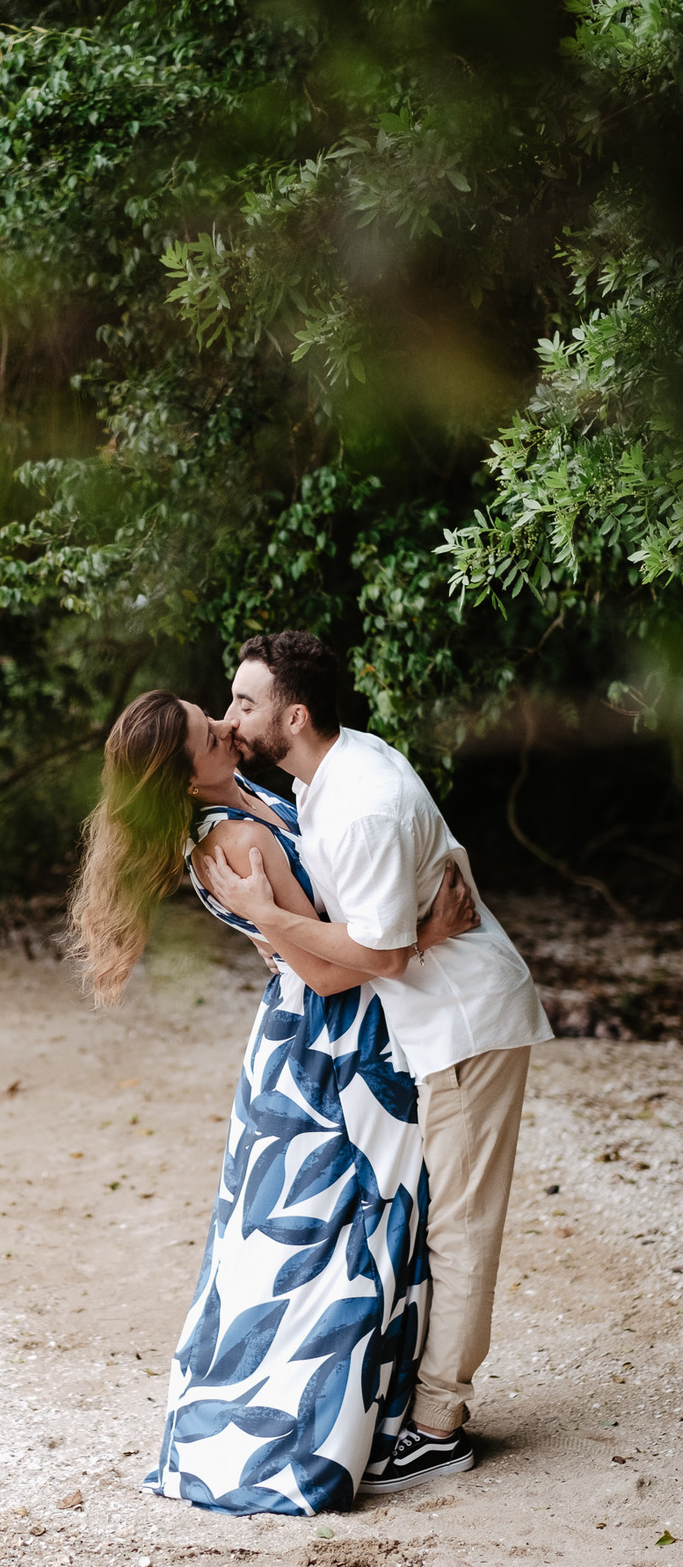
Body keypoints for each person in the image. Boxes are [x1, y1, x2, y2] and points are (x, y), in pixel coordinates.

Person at [68, 690, 478, 1515]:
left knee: (352, 1227)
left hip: (330, 1031)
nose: (227, 726)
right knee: (338, 1235)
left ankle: (369, 1418)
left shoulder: (248, 794)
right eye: (207, 733)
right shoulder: (233, 839)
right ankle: (308, 1440)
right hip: (330, 1046)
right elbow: (323, 970)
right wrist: (424, 937)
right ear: (184, 780)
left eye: (212, 712)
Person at [205, 631, 553, 1495]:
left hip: (462, 1024)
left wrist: (268, 917)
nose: (230, 716)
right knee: (439, 1217)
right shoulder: (321, 776)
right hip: (429, 1018)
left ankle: (438, 1427)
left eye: (245, 702)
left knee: (460, 1226)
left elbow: (383, 955)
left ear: (294, 715)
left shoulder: (359, 801)